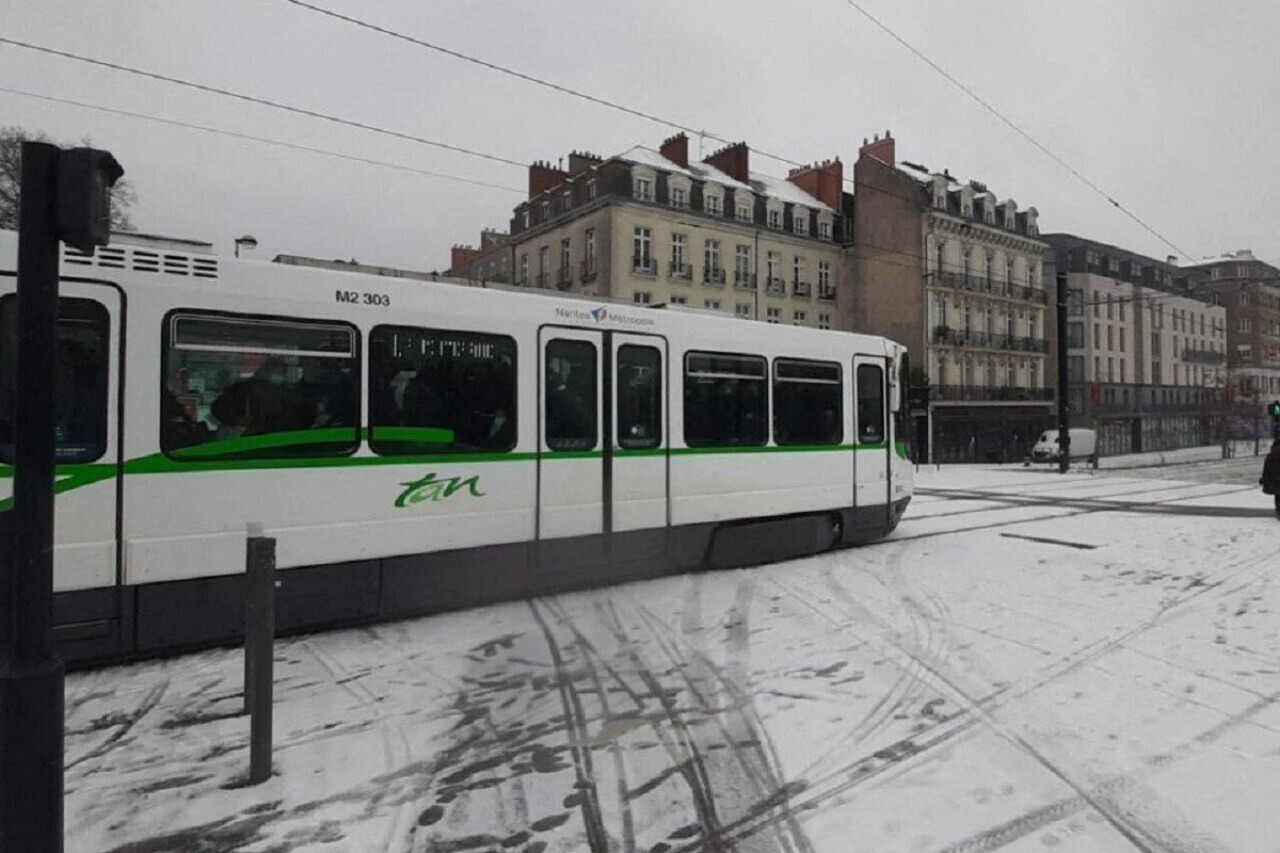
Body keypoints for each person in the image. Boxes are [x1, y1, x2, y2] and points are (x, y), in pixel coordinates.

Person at [1261, 439, 1280, 519]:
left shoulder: (1271, 456)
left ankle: (1278, 511)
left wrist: (1264, 479)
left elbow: (1266, 469)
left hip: (1275, 480)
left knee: (1278, 496)